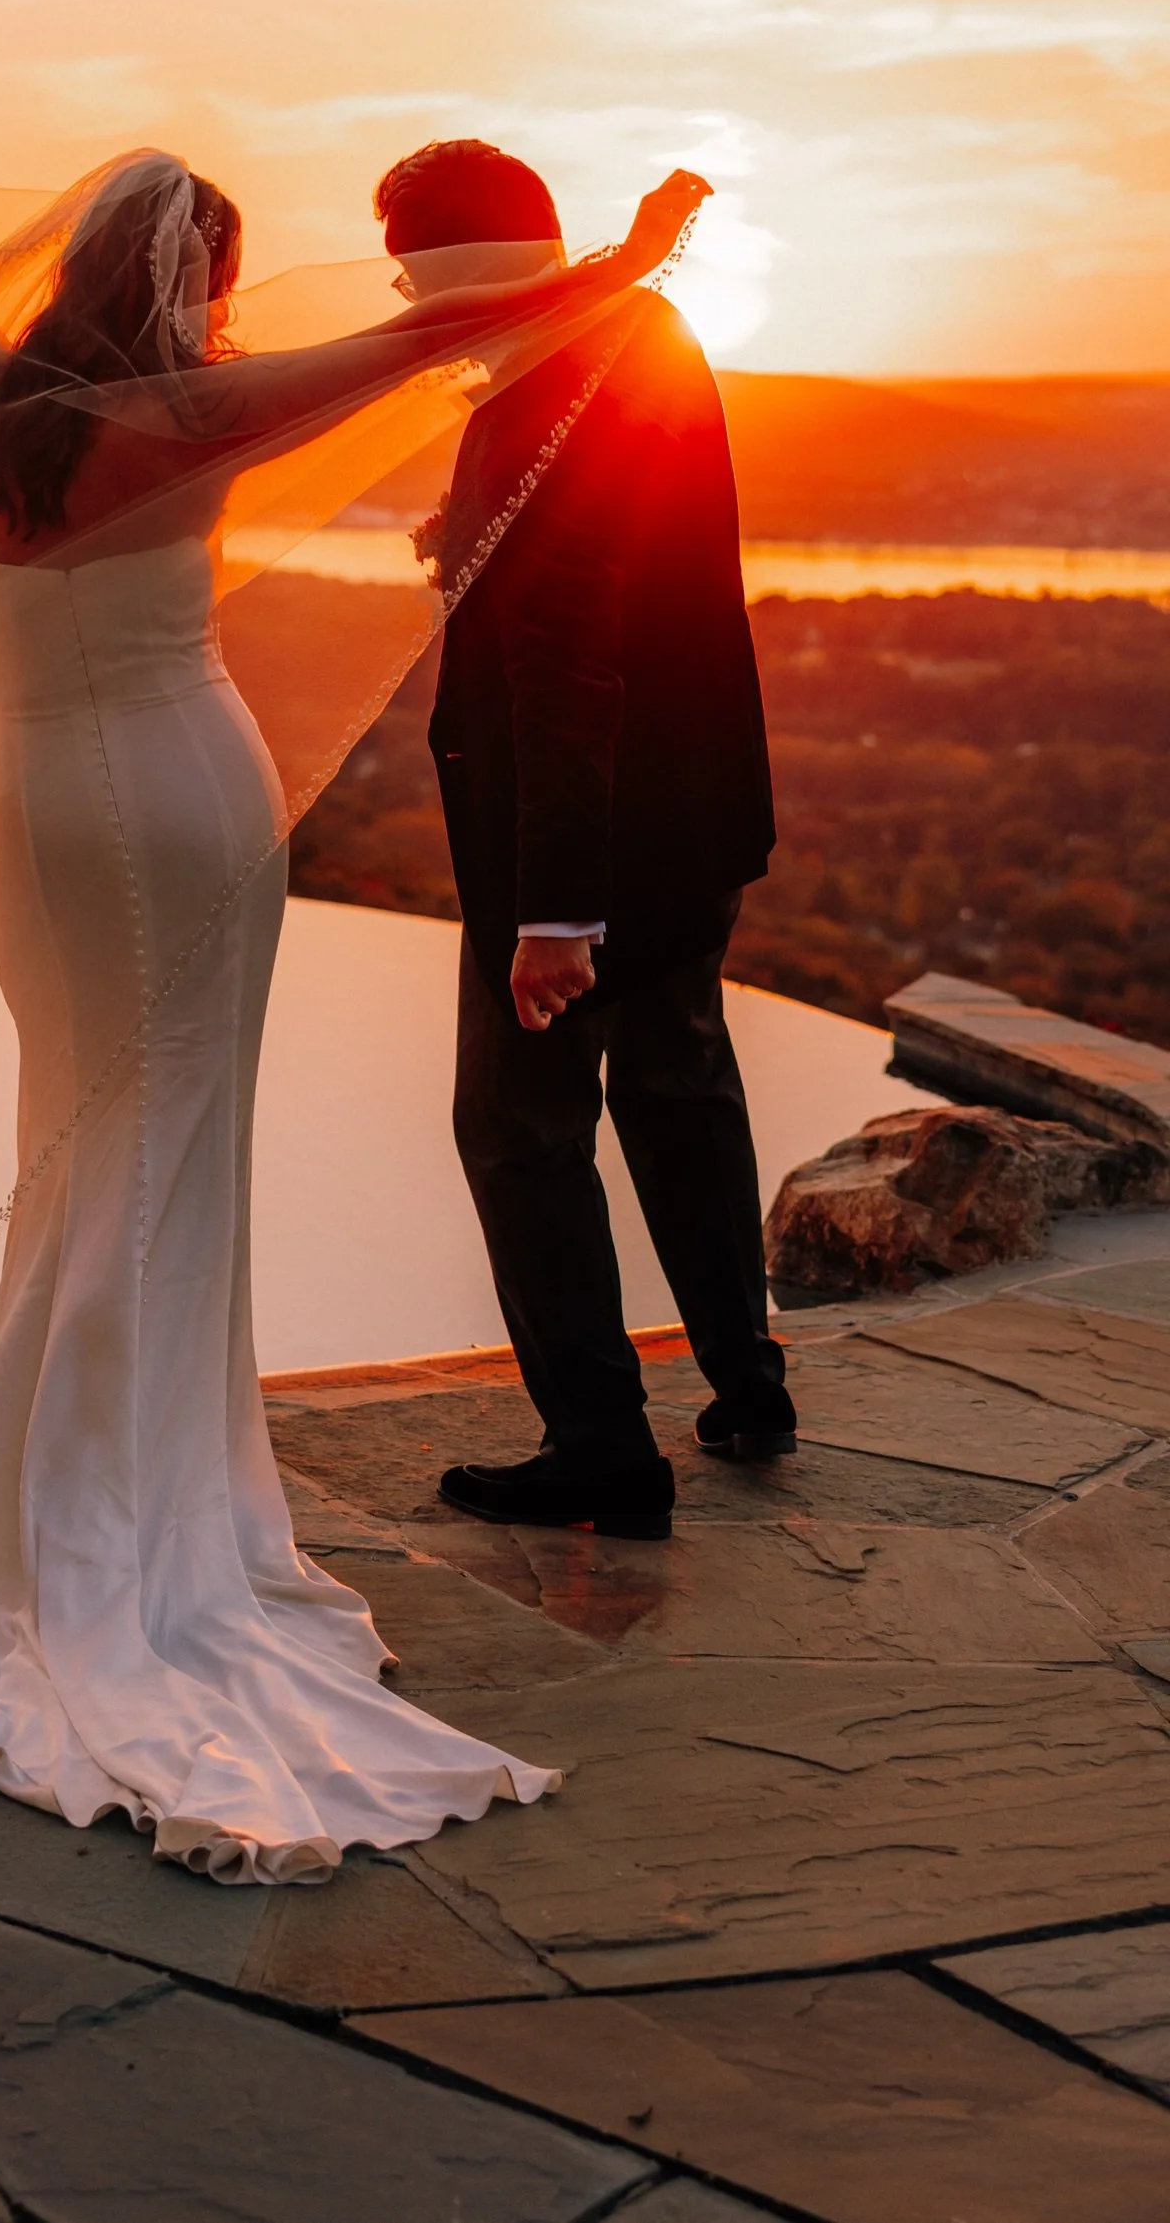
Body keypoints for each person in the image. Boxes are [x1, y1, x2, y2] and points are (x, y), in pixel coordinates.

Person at [0, 0, 706, 1881]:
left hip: (43, 831)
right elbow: (446, 329)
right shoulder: (198, 409)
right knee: (169, 1154)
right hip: (184, 801)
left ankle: (47, 1490)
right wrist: (631, 263)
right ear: (193, 287)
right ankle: (132, 1525)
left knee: (74, 1130)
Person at [373, 138, 788, 1546]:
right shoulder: (646, 332)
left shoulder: (552, 375)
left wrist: (555, 913)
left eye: (411, 274)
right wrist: (470, 532)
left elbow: (566, 661)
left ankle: (602, 1446)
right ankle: (748, 1386)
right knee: (680, 1091)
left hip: (578, 839)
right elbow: (627, 555)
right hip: (695, 812)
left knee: (518, 1128)